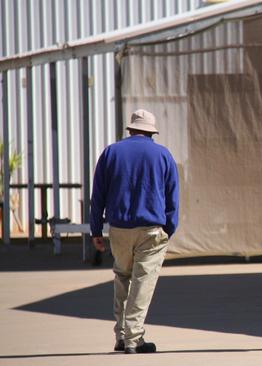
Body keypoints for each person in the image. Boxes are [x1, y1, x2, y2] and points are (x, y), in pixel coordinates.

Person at [90, 109, 179, 354]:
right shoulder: (163, 155)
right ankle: (133, 339)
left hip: (119, 228)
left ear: (130, 129)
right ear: (152, 132)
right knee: (142, 282)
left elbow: (98, 196)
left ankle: (121, 334)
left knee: (122, 277)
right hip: (151, 229)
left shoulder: (110, 153)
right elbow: (173, 198)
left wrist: (96, 229)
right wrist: (169, 228)